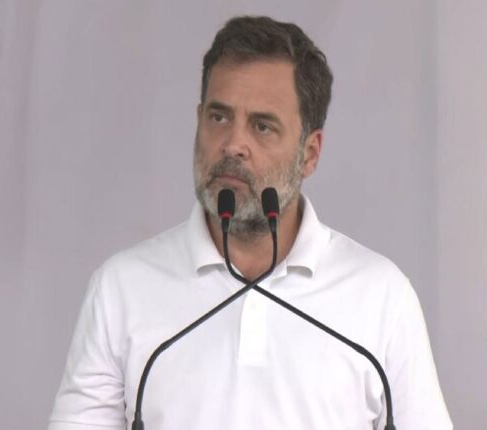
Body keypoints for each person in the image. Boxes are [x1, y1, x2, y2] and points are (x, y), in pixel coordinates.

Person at [49, 16, 452, 430]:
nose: (233, 145)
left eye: (262, 126)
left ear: (310, 153)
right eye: (219, 118)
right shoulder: (121, 288)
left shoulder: (382, 296)